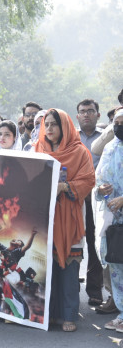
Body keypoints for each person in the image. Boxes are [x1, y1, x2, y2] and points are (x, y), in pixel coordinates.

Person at [35, 108, 95, 332]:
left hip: (70, 217)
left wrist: (66, 186)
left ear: (65, 126)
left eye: (54, 124)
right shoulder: (37, 149)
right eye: (46, 124)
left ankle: (69, 315)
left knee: (69, 267)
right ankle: (48, 314)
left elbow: (89, 180)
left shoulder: (80, 152)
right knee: (46, 268)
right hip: (44, 217)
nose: (49, 129)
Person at [96, 109, 123, 332]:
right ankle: (121, 314)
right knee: (116, 266)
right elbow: (99, 181)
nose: (120, 126)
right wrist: (101, 189)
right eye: (117, 122)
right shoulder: (109, 147)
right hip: (113, 221)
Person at [76, 99, 104, 306]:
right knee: (73, 244)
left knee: (95, 245)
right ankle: (70, 289)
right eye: (83, 112)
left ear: (98, 115)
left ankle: (95, 290)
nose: (87, 114)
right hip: (74, 198)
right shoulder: (70, 139)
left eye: (91, 111)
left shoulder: (106, 140)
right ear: (77, 116)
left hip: (97, 200)